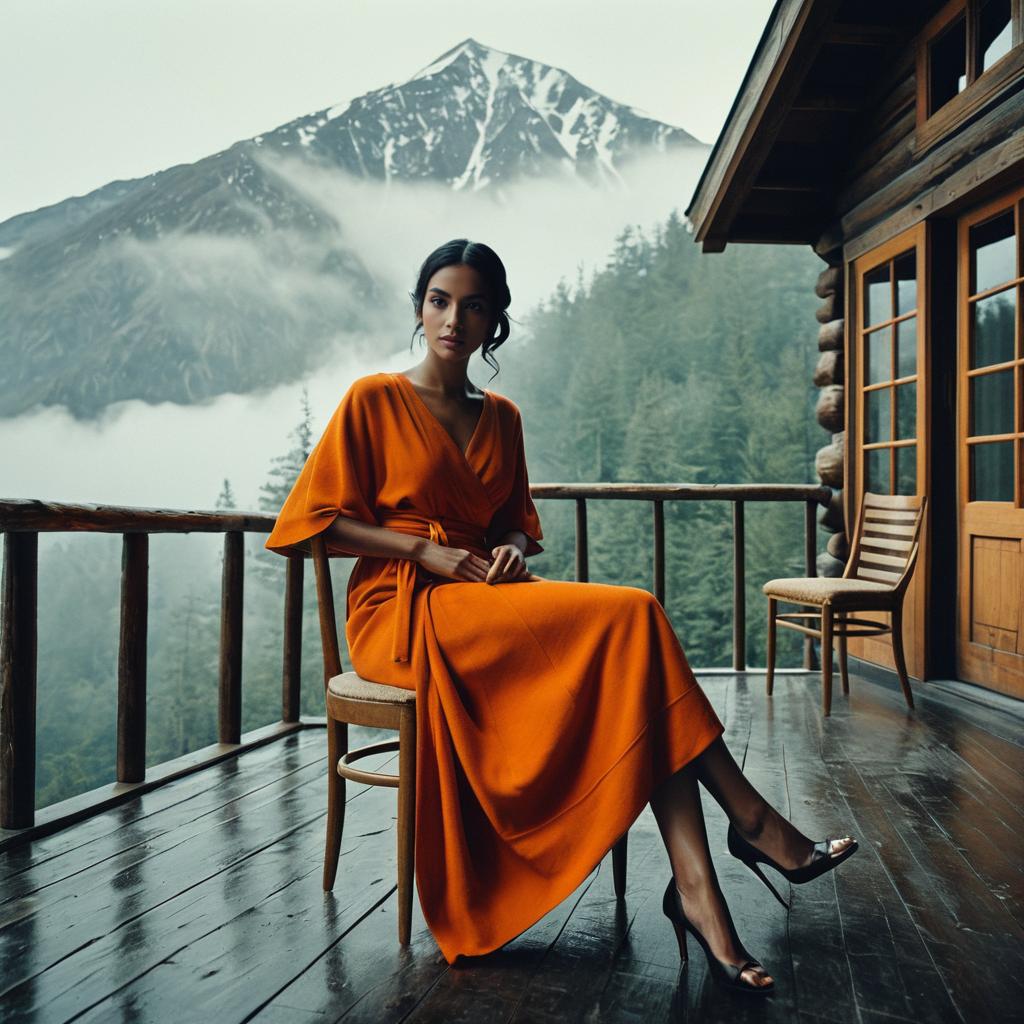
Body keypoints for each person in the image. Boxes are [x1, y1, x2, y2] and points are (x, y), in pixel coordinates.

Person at [265, 238, 858, 994]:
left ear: (495, 322)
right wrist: (421, 553)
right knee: (633, 618)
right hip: (403, 611)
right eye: (440, 300)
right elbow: (307, 525)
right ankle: (753, 829)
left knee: (634, 640)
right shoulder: (373, 400)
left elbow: (515, 523)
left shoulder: (501, 417)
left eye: (474, 304)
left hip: (486, 595)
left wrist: (510, 549)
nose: (454, 317)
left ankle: (700, 891)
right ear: (420, 307)